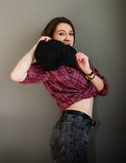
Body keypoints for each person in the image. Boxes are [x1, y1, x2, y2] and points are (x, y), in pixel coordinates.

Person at [10, 17, 108, 163]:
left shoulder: (79, 60)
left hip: (81, 128)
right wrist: (37, 46)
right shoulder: (48, 67)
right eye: (62, 33)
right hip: (70, 127)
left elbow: (102, 89)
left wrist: (87, 70)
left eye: (71, 33)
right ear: (51, 37)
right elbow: (16, 75)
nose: (68, 38)